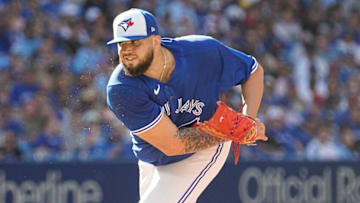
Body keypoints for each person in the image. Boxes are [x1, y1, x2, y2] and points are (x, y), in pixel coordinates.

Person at [106, 8, 267, 203]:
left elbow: (252, 71)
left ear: (156, 41)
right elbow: (173, 144)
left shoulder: (201, 53)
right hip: (155, 157)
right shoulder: (121, 87)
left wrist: (248, 119)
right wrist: (232, 131)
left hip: (203, 148)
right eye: (121, 45)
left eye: (135, 43)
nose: (127, 51)